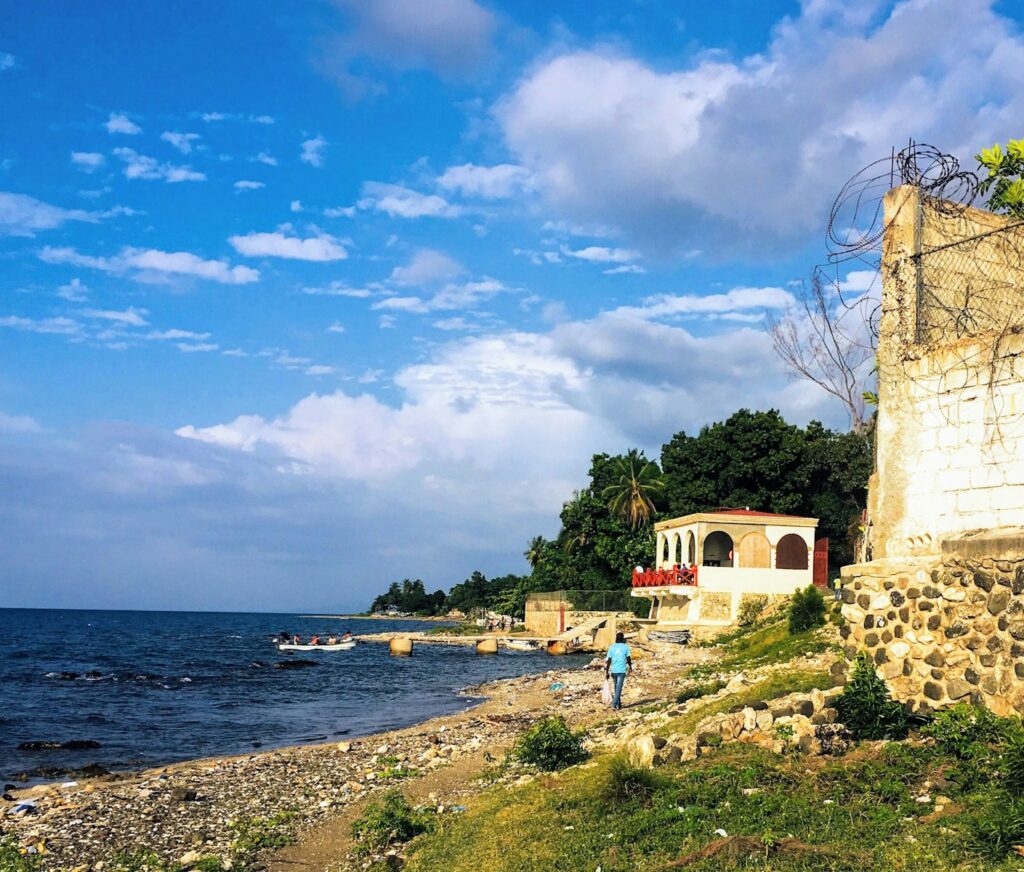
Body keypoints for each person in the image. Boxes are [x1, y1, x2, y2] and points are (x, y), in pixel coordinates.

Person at [604, 631, 632, 711]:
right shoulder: (626, 647)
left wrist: (607, 671)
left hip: (614, 670)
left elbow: (609, 660)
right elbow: (628, 658)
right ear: (623, 639)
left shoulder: (612, 647)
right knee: (618, 688)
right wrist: (630, 666)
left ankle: (618, 705)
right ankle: (614, 704)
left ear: (616, 638)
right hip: (622, 670)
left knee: (617, 688)